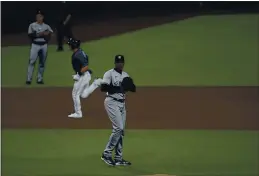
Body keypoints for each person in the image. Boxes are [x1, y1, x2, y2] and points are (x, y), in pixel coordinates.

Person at [100, 55, 136, 166]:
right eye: (118, 62)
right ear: (115, 63)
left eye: (121, 62)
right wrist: (119, 88)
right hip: (111, 101)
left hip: (121, 104)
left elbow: (133, 88)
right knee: (118, 128)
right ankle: (106, 154)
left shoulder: (125, 75)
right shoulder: (109, 73)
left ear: (123, 63)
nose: (120, 64)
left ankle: (118, 158)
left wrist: (130, 86)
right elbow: (103, 88)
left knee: (121, 131)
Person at [67, 38, 101, 118]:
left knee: (75, 94)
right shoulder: (79, 52)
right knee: (83, 94)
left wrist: (78, 74)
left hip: (83, 76)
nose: (68, 46)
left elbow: (85, 66)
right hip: (85, 75)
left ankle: (78, 113)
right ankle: (96, 83)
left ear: (72, 46)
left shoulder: (77, 55)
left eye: (69, 44)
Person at [26, 10, 53, 85]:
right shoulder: (32, 25)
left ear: (43, 17)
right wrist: (41, 34)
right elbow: (30, 35)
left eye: (40, 16)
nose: (38, 17)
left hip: (44, 45)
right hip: (35, 45)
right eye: (37, 16)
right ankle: (29, 79)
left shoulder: (46, 26)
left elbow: (50, 33)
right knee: (32, 61)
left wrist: (46, 34)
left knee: (42, 63)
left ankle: (39, 79)